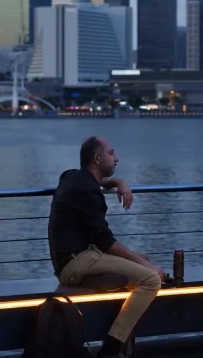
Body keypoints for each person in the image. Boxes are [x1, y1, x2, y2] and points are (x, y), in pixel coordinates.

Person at [48, 136, 167, 358]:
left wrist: (118, 182)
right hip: (79, 261)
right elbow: (105, 240)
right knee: (151, 279)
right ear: (97, 157)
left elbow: (98, 182)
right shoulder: (88, 191)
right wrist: (147, 266)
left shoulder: (71, 177)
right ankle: (111, 349)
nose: (117, 158)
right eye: (111, 153)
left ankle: (101, 280)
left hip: (71, 260)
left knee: (139, 257)